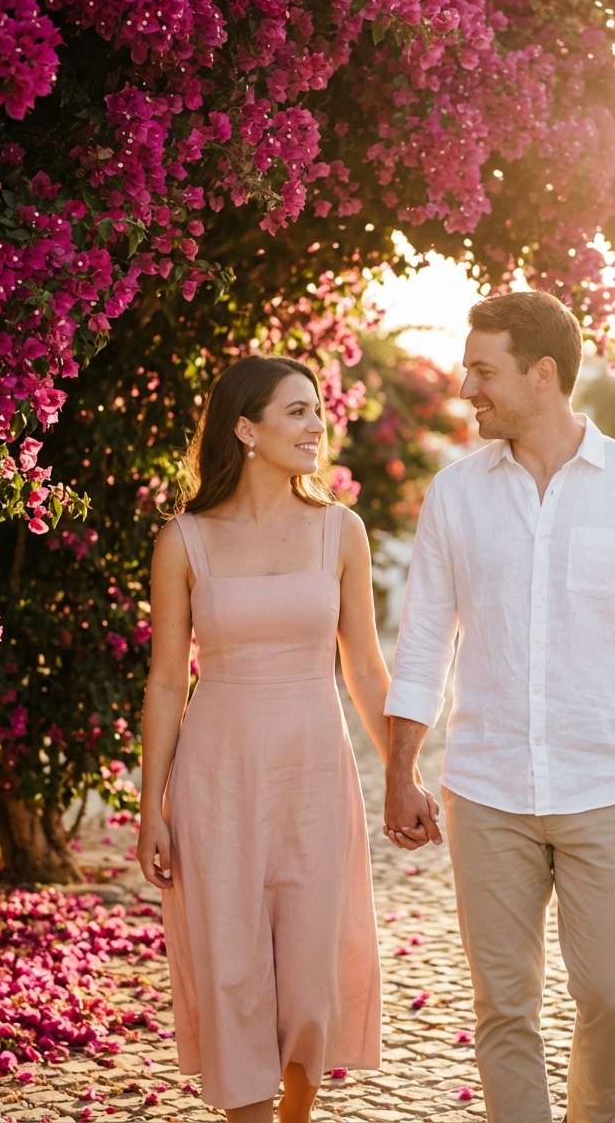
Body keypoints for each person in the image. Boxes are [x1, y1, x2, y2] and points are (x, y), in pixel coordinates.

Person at [383, 291, 615, 1123]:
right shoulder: (456, 495)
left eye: (484, 370)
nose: (467, 387)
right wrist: (400, 768)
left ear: (542, 373)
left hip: (606, 788)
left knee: (613, 993)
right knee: (504, 1007)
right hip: (486, 790)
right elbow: (423, 641)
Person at [136, 355, 418, 1123]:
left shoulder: (341, 530)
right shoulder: (184, 540)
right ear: (245, 429)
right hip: (217, 778)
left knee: (307, 970)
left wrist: (404, 771)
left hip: (314, 775)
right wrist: (149, 806)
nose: (315, 425)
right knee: (231, 967)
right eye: (296, 411)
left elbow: (364, 666)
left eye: (316, 410)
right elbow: (166, 681)